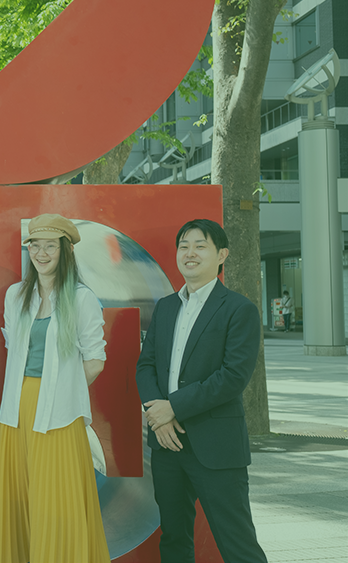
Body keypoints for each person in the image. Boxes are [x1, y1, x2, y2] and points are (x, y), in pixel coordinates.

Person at [135, 219, 267, 563]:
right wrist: (158, 414)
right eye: (184, 246)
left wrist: (173, 408)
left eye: (200, 246)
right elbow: (146, 365)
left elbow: (232, 377)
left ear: (221, 255)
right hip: (167, 443)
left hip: (216, 445)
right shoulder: (166, 307)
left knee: (237, 543)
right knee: (174, 539)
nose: (190, 253)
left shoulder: (239, 309)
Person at [0, 213, 109, 563]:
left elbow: (95, 360)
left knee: (58, 496)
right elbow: (15, 351)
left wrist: (61, 392)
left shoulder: (82, 298)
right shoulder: (16, 295)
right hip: (17, 409)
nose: (41, 254)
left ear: (66, 250)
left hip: (60, 412)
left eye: (50, 246)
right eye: (35, 246)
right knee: (21, 492)